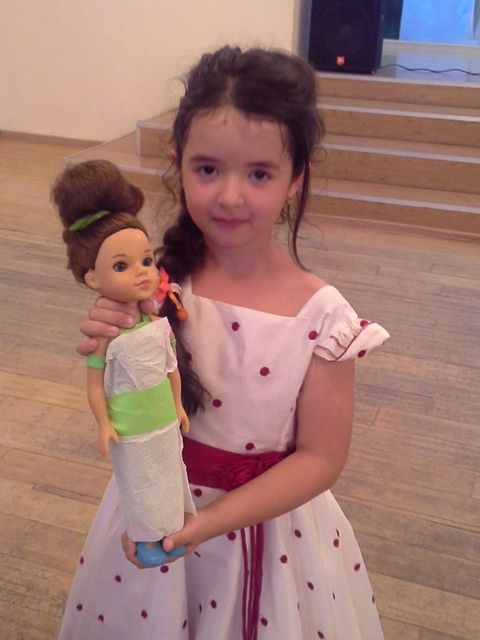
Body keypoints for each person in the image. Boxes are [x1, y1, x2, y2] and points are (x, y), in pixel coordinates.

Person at [57, 46, 389, 640]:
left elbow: (320, 458)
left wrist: (205, 525)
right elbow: (131, 399)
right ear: (178, 164)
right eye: (208, 169)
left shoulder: (324, 318)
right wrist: (109, 346)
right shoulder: (158, 286)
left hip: (267, 538)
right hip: (154, 506)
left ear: (295, 179)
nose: (230, 196)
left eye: (259, 174)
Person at [52, 160, 196, 567]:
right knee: (138, 482)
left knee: (167, 473)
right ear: (92, 279)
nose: (141, 273)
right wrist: (103, 423)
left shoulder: (156, 321)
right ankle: (146, 537)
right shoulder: (108, 332)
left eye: (147, 260)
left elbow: (171, 367)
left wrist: (178, 405)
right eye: (121, 266)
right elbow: (94, 383)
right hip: (129, 423)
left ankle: (171, 526)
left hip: (163, 417)